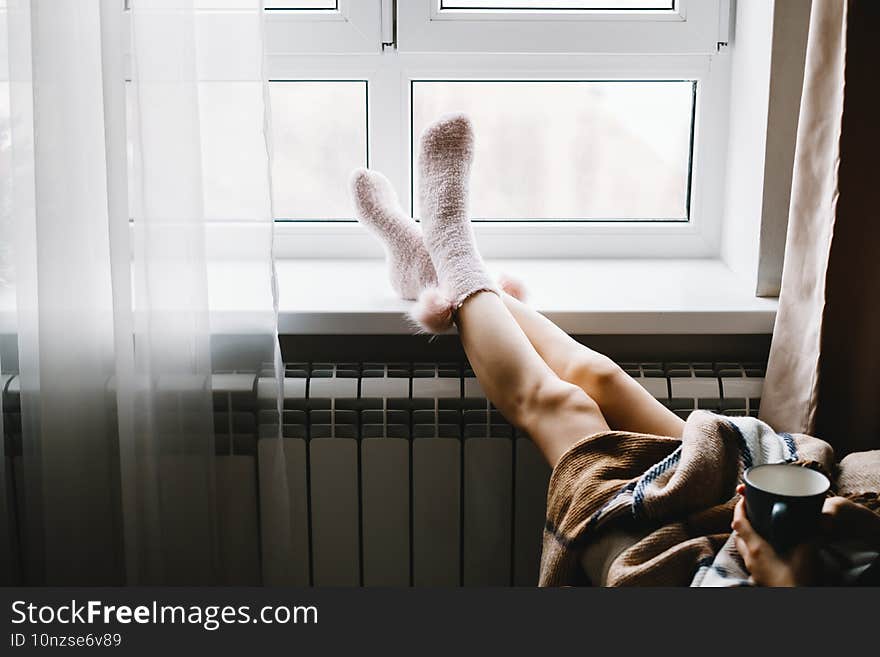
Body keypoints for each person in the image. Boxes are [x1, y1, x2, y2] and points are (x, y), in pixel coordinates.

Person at [351, 113, 879, 586]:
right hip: (820, 521)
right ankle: (443, 264)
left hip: (704, 576)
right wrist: (848, 519)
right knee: (602, 378)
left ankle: (446, 244)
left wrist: (785, 575)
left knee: (565, 406)